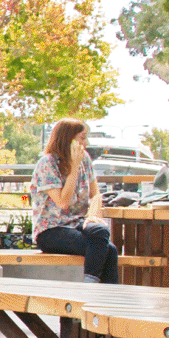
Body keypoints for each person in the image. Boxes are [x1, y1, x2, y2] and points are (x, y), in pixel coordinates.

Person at [30, 118, 119, 284]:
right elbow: (63, 202)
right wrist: (74, 167)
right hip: (51, 229)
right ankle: (91, 290)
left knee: (101, 233)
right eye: (82, 138)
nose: (86, 142)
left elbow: (96, 194)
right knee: (108, 250)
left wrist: (93, 217)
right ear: (68, 139)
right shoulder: (47, 164)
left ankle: (101, 295)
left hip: (77, 223)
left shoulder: (84, 158)